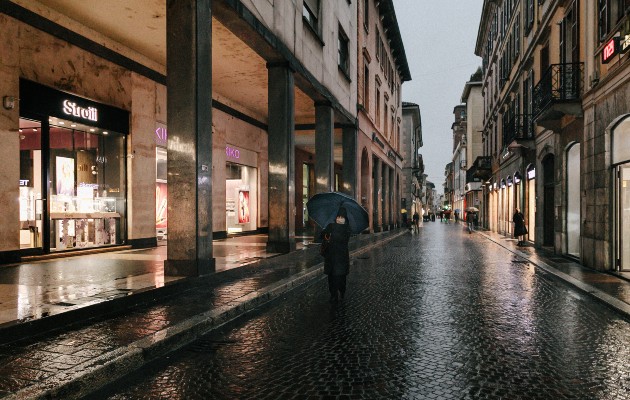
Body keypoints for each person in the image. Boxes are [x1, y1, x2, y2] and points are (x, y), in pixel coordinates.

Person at [321, 206, 351, 303]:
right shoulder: (330, 226)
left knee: (341, 277)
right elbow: (322, 236)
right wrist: (326, 234)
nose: (339, 219)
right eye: (338, 217)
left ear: (345, 219)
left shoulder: (347, 228)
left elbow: (344, 239)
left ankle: (342, 291)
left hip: (341, 257)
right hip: (331, 256)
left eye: (342, 217)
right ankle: (333, 294)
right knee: (331, 276)